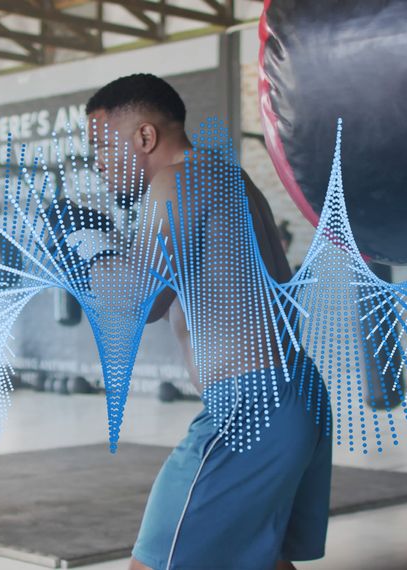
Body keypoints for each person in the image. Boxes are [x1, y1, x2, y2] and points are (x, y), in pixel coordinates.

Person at [83, 74, 332, 570]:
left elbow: (138, 306)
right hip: (293, 390)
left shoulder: (177, 181)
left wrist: (85, 248)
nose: (98, 165)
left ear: (145, 137)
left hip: (251, 405)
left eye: (102, 147)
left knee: (153, 563)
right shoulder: (228, 178)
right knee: (264, 559)